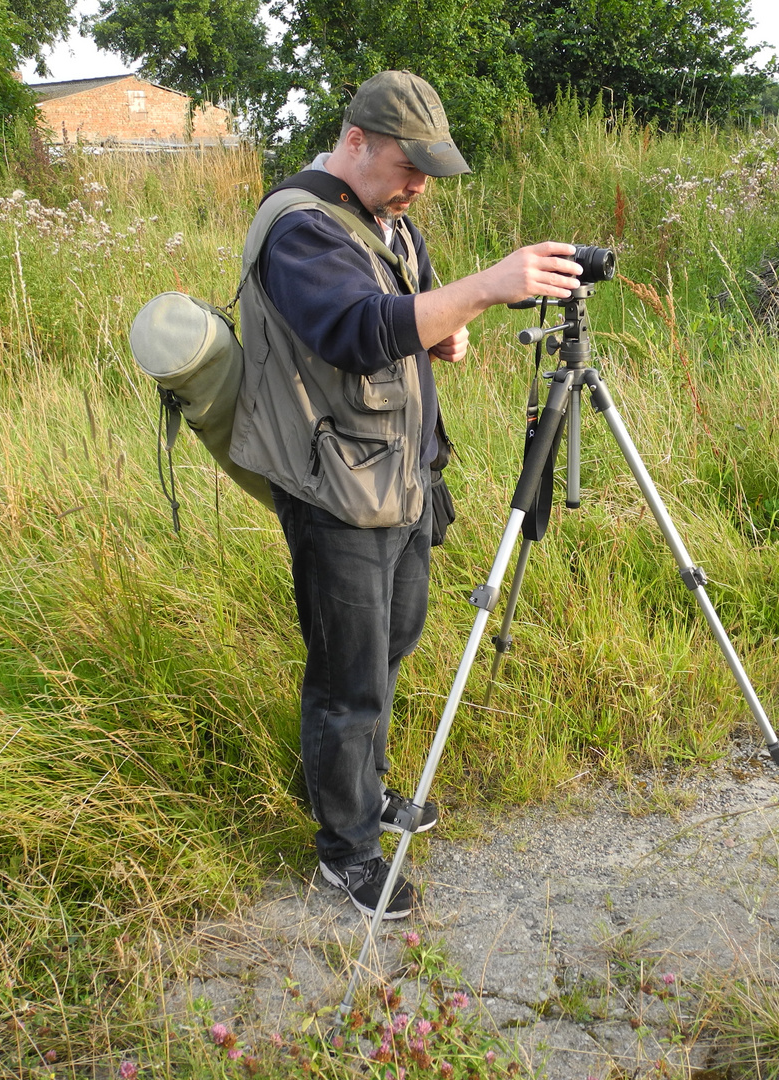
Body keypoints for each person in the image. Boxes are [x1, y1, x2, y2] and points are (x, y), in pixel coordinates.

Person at [230, 71, 582, 919]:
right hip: (338, 490)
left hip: (402, 478)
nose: (419, 184)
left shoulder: (388, 221)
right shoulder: (301, 229)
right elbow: (356, 330)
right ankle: (345, 852)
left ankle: (364, 789)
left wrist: (446, 334)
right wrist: (487, 288)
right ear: (355, 142)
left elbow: (407, 316)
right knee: (348, 676)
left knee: (390, 647)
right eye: (407, 165)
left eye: (430, 169)